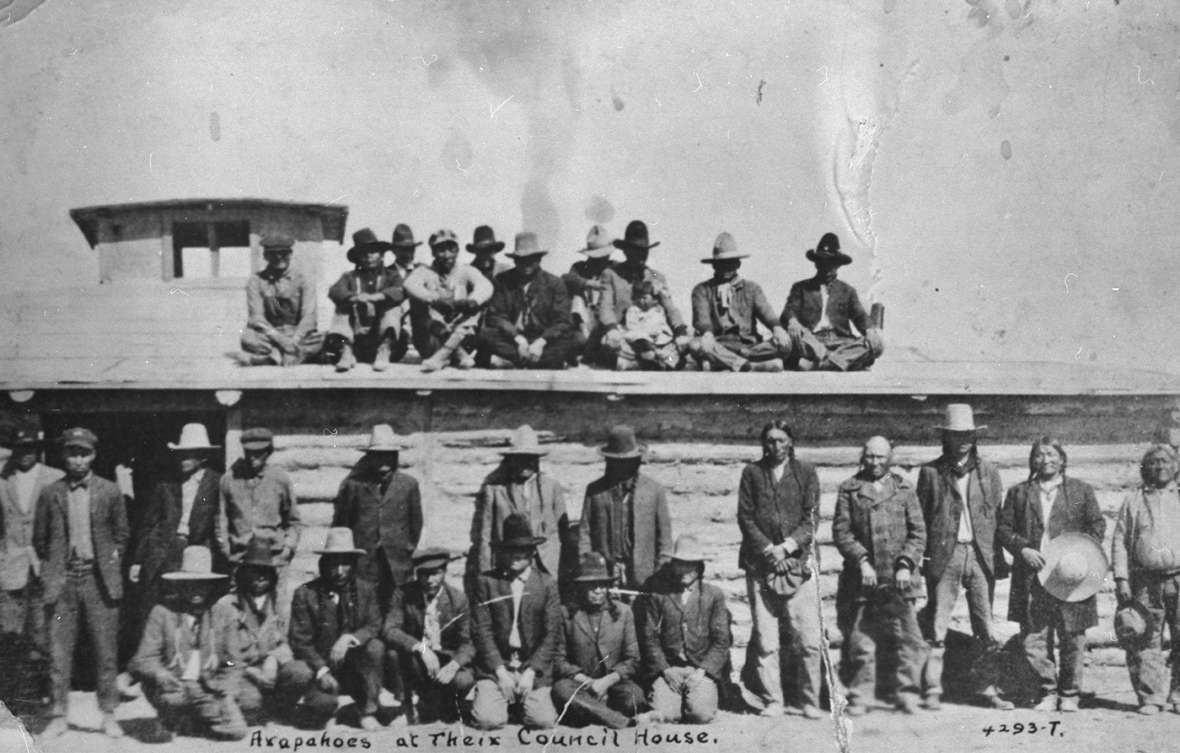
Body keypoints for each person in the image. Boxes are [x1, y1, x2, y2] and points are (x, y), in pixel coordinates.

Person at [996, 437, 1105, 712]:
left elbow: (1097, 525)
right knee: (1034, 637)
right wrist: (1022, 550)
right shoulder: (1019, 493)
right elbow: (1003, 529)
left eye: (1052, 454)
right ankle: (1046, 691)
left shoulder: (1080, 491)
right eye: (1040, 455)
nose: (1046, 460)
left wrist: (1078, 553)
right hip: (1032, 576)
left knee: (1072, 636)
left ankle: (1069, 694)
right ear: (1032, 461)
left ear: (1063, 459)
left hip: (1070, 577)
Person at [33, 427, 129, 739]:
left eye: (83, 453)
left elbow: (122, 535)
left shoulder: (110, 491)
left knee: (106, 650)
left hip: (99, 581)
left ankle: (109, 713)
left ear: (94, 455)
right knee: (60, 651)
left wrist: (107, 563)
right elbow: (41, 539)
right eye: (72, 453)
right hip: (63, 581)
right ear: (63, 456)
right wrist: (55, 568)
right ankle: (59, 714)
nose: (78, 459)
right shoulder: (50, 493)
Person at [916, 404, 1013, 710]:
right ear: (945, 438)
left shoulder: (989, 472)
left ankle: (987, 687)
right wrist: (924, 558)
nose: (963, 441)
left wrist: (995, 557)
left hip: (980, 555)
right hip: (946, 555)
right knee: (937, 624)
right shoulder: (931, 472)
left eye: (968, 435)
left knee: (984, 624)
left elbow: (995, 516)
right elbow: (921, 518)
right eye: (956, 435)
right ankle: (932, 688)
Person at [832, 436, 927, 716]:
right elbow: (841, 532)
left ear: (890, 458)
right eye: (870, 456)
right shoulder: (849, 490)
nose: (874, 462)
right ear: (863, 457)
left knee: (908, 638)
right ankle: (861, 695)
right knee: (862, 640)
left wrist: (906, 564)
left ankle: (907, 693)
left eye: (880, 457)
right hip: (864, 579)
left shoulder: (905, 488)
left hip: (899, 579)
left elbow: (918, 532)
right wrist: (861, 561)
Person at [736, 420, 824, 719]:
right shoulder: (752, 473)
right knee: (766, 639)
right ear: (764, 443)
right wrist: (768, 550)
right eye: (770, 441)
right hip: (760, 565)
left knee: (809, 639)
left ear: (791, 442)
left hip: (797, 565)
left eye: (781, 440)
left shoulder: (806, 473)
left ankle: (809, 699)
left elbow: (811, 517)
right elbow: (745, 518)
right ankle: (772, 699)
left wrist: (787, 547)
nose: (775, 446)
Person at [130, 546, 246, 741]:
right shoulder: (163, 612)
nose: (196, 590)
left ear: (211, 586)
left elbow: (234, 662)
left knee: (237, 731)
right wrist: (160, 673)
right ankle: (170, 716)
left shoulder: (223, 614)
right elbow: (144, 658)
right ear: (180, 585)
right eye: (190, 584)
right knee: (169, 700)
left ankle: (191, 721)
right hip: (174, 686)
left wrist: (227, 690)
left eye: (202, 584)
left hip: (207, 687)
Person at [287, 528, 389, 730]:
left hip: (354, 667)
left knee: (375, 647)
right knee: (322, 714)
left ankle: (367, 711)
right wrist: (321, 669)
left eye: (346, 563)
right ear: (323, 565)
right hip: (322, 667)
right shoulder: (306, 594)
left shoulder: (365, 590)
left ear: (354, 564)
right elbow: (300, 641)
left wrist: (350, 638)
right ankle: (327, 706)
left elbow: (374, 624)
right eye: (334, 564)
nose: (340, 571)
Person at [468, 514, 561, 731]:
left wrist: (531, 672)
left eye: (521, 549)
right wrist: (500, 671)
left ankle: (519, 705)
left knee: (543, 721)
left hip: (532, 668)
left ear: (532, 552)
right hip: (498, 665)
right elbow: (482, 631)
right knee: (487, 721)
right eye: (509, 549)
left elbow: (551, 635)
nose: (514, 555)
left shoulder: (546, 584)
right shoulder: (487, 582)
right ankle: (500, 701)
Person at [129, 423, 223, 629]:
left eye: (188, 455)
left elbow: (220, 522)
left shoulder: (216, 483)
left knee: (192, 603)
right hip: (165, 549)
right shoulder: (166, 483)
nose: (182, 460)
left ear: (202, 457)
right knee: (158, 604)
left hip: (198, 551)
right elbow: (149, 523)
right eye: (180, 455)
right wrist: (138, 560)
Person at [1111, 444, 1180, 715]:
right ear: (1145, 468)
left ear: (1176, 466)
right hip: (1144, 581)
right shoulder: (1134, 500)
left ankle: (1178, 693)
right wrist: (1121, 578)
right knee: (1145, 638)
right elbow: (1119, 542)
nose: (1160, 466)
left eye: (1165, 461)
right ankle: (1151, 697)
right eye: (1153, 462)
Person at [638, 535, 731, 724]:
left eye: (690, 564)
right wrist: (664, 669)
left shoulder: (713, 596)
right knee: (666, 714)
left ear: (699, 566)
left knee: (701, 715)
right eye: (680, 564)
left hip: (699, 670)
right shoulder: (659, 595)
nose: (684, 570)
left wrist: (702, 671)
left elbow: (721, 641)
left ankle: (699, 696)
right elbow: (649, 637)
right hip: (670, 669)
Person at [551, 552, 649, 729]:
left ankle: (592, 711)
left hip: (614, 683)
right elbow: (559, 660)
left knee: (635, 697)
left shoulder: (623, 612)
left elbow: (633, 659)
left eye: (603, 585)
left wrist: (607, 681)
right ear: (580, 587)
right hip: (579, 683)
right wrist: (589, 683)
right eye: (591, 586)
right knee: (561, 691)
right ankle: (620, 721)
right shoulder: (566, 614)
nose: (598, 591)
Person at [211, 536, 302, 725]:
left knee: (299, 673)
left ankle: (279, 709)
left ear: (273, 576)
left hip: (271, 671)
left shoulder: (280, 604)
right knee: (250, 704)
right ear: (244, 574)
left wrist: (274, 658)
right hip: (241, 673)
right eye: (254, 571)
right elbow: (221, 655)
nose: (261, 577)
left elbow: (289, 643)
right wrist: (250, 671)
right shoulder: (226, 605)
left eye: (265, 571)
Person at [331, 424, 422, 607]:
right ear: (370, 457)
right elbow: (343, 523)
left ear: (395, 456)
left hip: (397, 561)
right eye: (378, 456)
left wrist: (405, 548)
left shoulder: (408, 485)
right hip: (364, 560)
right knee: (364, 604)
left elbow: (416, 524)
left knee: (395, 604)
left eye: (388, 456)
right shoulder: (354, 486)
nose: (383, 464)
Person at [466, 425, 568, 590]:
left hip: (544, 562)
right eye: (520, 458)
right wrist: (484, 571)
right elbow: (485, 534)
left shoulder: (551, 487)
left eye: (530, 457)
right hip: (509, 561)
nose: (525, 463)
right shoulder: (495, 489)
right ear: (511, 460)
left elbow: (563, 531)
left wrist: (561, 568)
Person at [382, 547, 475, 724]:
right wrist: (421, 648)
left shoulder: (458, 599)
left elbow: (468, 643)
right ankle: (406, 706)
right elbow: (390, 629)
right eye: (424, 574)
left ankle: (443, 703)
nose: (430, 580)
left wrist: (454, 665)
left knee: (463, 679)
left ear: (445, 571)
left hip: (446, 660)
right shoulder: (403, 594)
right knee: (393, 656)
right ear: (417, 573)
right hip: (417, 659)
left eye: (436, 573)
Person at [578, 425, 672, 592]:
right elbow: (585, 533)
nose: (621, 467)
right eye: (616, 462)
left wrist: (660, 573)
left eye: (627, 462)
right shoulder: (595, 491)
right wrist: (588, 565)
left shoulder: (653, 491)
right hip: (603, 573)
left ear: (637, 461)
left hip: (644, 575)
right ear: (608, 461)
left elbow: (664, 539)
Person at [779, 232, 883, 371]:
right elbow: (788, 310)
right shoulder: (801, 288)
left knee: (876, 344)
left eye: (832, 264)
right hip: (811, 342)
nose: (827, 268)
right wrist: (792, 321)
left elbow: (860, 316)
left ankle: (822, 363)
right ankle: (840, 361)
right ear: (816, 264)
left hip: (841, 341)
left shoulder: (847, 291)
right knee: (792, 338)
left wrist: (870, 330)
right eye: (822, 262)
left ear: (839, 265)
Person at [688, 233, 791, 372]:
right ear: (714, 265)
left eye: (730, 263)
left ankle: (721, 363)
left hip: (749, 347)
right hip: (719, 344)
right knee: (696, 345)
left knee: (785, 344)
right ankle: (750, 366)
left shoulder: (752, 288)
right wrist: (707, 333)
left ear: (738, 264)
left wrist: (777, 329)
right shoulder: (702, 290)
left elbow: (766, 311)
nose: (726, 268)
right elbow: (702, 317)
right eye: (721, 264)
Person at [218, 427, 300, 602]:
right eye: (249, 452)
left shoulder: (280, 479)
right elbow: (221, 518)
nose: (252, 457)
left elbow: (293, 520)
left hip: (274, 558)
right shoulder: (229, 479)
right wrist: (226, 549)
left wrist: (287, 548)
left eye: (259, 452)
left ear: (268, 452)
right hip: (241, 558)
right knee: (239, 608)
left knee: (274, 608)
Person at [0, 426, 62, 652]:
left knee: (43, 630)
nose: (25, 453)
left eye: (30, 448)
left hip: (43, 564)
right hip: (11, 564)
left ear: (38, 449)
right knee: (10, 631)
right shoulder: (3, 479)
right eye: (20, 448)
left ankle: (42, 682)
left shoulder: (55, 479)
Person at [476, 232, 575, 369]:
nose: (526, 264)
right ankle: (539, 362)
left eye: (531, 259)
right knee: (485, 335)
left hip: (541, 338)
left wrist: (541, 342)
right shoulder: (503, 280)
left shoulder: (554, 283)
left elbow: (562, 321)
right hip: (513, 339)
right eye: (521, 260)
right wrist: (518, 339)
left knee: (574, 339)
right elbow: (496, 316)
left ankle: (516, 361)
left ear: (539, 259)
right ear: (515, 260)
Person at [403, 228, 494, 372]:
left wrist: (472, 301)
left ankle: (443, 356)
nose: (447, 255)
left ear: (457, 251)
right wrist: (434, 299)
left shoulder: (466, 270)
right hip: (431, 340)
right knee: (417, 303)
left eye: (451, 249)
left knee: (478, 306)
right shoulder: (424, 271)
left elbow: (485, 286)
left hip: (461, 335)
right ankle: (455, 353)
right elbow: (409, 284)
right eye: (441, 250)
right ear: (433, 252)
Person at [598, 220, 689, 363]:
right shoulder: (611, 274)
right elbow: (605, 306)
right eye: (636, 251)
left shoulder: (655, 276)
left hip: (652, 334)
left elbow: (670, 307)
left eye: (644, 252)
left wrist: (680, 332)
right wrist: (611, 328)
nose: (641, 256)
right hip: (623, 333)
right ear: (626, 251)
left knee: (677, 350)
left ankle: (652, 358)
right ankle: (644, 359)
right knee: (610, 344)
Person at [325, 227, 407, 372]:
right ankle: (346, 351)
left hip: (385, 342)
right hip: (357, 342)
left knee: (393, 308)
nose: (369, 256)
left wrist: (377, 297)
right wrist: (355, 298)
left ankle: (384, 350)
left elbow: (400, 291)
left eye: (373, 252)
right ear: (358, 258)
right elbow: (335, 291)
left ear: (381, 255)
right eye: (364, 253)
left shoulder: (391, 276)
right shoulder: (349, 277)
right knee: (342, 308)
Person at [237, 233, 323, 366]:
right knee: (248, 338)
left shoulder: (304, 279)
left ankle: (275, 356)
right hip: (272, 334)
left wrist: (294, 340)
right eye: (273, 254)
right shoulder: (256, 281)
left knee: (325, 339)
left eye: (283, 253)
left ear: (290, 254)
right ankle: (294, 355)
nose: (279, 257)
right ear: (265, 256)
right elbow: (256, 318)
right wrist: (281, 340)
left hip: (298, 333)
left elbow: (309, 317)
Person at [562, 225, 617, 366]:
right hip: (585, 319)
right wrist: (589, 283)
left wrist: (653, 276)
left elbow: (649, 272)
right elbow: (566, 278)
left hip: (606, 320)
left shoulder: (615, 268)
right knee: (577, 299)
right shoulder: (579, 268)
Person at [618, 280, 683, 371]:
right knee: (630, 348)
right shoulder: (633, 310)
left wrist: (656, 335)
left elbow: (659, 326)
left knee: (668, 356)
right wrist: (646, 335)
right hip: (641, 342)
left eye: (645, 298)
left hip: (659, 342)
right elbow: (632, 327)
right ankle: (647, 360)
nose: (641, 301)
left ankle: (666, 363)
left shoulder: (658, 310)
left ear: (654, 299)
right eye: (639, 298)